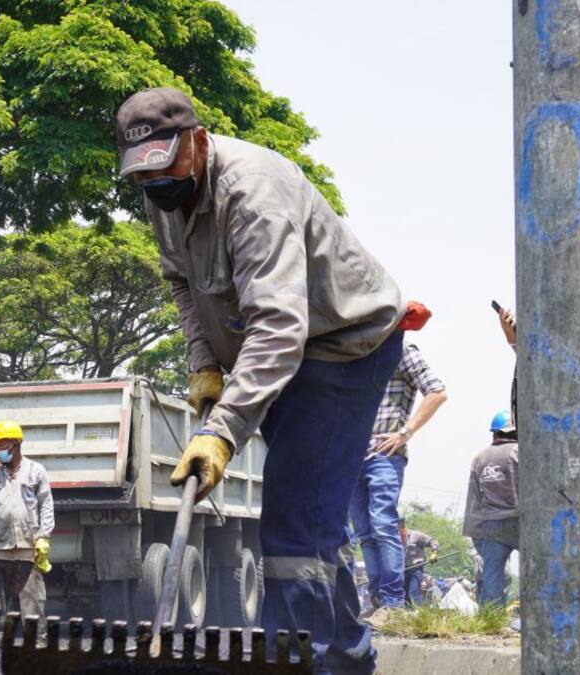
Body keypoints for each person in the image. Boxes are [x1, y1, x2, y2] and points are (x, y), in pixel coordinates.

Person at [115, 86, 408, 674]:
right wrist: (203, 362)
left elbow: (279, 326)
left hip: (341, 346)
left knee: (295, 523)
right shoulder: (161, 194)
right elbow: (182, 281)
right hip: (279, 351)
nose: (157, 184)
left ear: (197, 140)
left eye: (167, 166)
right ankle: (348, 660)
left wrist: (221, 433)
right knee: (311, 518)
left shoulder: (253, 193)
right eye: (143, 176)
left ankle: (295, 664)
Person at [349, 344, 446, 619]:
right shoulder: (355, 351)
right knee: (365, 534)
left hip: (385, 455)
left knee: (383, 526)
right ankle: (379, 600)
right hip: (354, 455)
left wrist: (405, 432)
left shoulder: (402, 352)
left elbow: (437, 392)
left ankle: (393, 602)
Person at [0, 420, 54, 617]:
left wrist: (44, 536)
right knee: (0, 593)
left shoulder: (35, 470)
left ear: (14, 444)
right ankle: (2, 635)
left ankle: (35, 640)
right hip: (0, 545)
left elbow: (46, 504)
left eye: (1, 444)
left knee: (31, 593)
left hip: (27, 543)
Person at [463, 410, 519, 606]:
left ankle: (492, 619)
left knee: (492, 575)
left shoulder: (480, 458)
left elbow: (473, 499)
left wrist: (474, 532)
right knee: (536, 569)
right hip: (521, 523)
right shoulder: (520, 451)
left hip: (492, 527)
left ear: (495, 433)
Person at [399, 519, 439, 606]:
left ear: (401, 525)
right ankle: (407, 616)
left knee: (412, 593)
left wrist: (434, 553)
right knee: (405, 598)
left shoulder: (416, 535)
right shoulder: (395, 540)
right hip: (403, 571)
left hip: (416, 569)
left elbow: (433, 541)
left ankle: (417, 614)